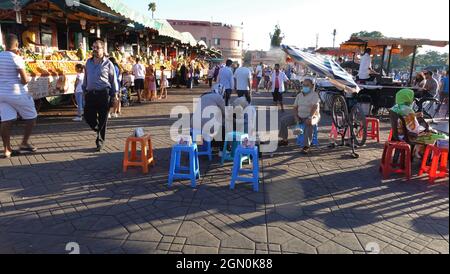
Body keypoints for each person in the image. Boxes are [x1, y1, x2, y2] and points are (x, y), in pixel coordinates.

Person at [0, 34, 38, 158]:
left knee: (6, 120)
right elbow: (25, 80)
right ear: (16, 45)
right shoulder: (16, 58)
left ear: (5, 44)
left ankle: (7, 149)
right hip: (17, 93)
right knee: (32, 117)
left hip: (1, 94)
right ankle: (24, 143)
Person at [82, 40, 118, 152]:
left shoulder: (108, 64)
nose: (95, 50)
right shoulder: (88, 62)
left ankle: (100, 141)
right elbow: (86, 77)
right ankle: (97, 128)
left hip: (104, 93)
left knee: (103, 118)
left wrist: (115, 94)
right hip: (90, 94)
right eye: (93, 47)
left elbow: (113, 80)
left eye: (97, 47)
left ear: (103, 49)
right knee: (87, 115)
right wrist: (84, 89)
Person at [391, 89, 447, 158]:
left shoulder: (395, 107)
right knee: (434, 136)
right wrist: (424, 129)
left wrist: (414, 115)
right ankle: (425, 157)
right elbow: (415, 130)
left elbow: (403, 119)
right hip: (407, 137)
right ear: (408, 98)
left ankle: (421, 155)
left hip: (397, 135)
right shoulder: (408, 110)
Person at [278, 79, 320, 154]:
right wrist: (296, 117)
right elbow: (295, 108)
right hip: (300, 116)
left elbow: (315, 107)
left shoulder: (314, 95)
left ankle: (306, 146)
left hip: (312, 116)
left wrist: (310, 117)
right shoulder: (299, 95)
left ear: (312, 86)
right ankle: (285, 140)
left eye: (307, 85)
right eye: (304, 85)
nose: (305, 87)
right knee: (283, 120)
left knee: (309, 123)